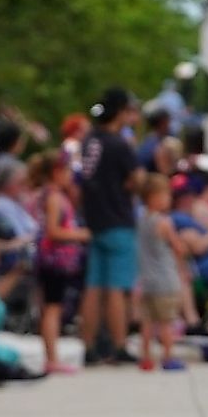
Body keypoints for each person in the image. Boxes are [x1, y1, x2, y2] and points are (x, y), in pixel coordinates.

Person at [77, 87, 140, 364]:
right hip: (118, 221)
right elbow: (136, 179)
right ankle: (119, 344)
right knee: (116, 288)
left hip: (94, 221)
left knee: (93, 287)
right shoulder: (118, 144)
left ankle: (89, 346)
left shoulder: (89, 141)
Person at [30, 149, 88, 373]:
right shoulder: (54, 197)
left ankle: (51, 355)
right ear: (56, 172)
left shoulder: (54, 195)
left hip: (52, 261)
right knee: (52, 309)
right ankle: (51, 357)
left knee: (52, 308)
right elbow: (53, 231)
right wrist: (81, 234)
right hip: (54, 261)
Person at [133, 171, 189, 371]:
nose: (169, 199)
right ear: (154, 197)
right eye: (166, 195)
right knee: (166, 322)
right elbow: (178, 248)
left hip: (146, 280)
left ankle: (146, 358)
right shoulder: (164, 222)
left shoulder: (141, 221)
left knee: (147, 322)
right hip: (165, 279)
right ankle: (167, 356)